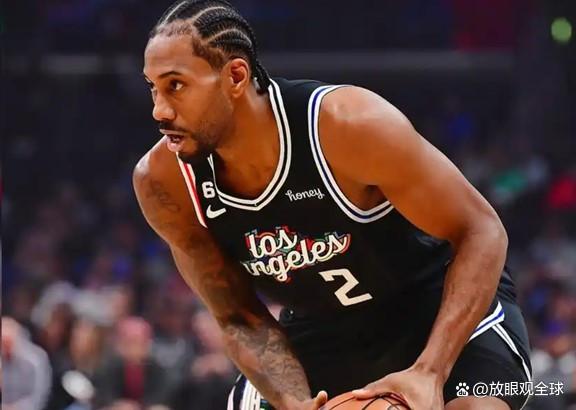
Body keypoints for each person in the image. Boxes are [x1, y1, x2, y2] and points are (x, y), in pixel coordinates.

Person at [133, 1, 533, 409]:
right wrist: (294, 402)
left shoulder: (348, 126)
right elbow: (238, 316)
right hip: (320, 329)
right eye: (152, 88)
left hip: (435, 311)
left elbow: (482, 231)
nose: (159, 110)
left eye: (175, 85)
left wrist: (430, 372)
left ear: (235, 76)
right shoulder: (163, 182)